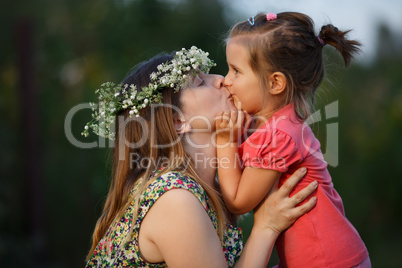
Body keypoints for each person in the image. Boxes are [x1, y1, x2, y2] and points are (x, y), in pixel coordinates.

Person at [83, 46, 318, 267]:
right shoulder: (174, 199)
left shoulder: (203, 190)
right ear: (177, 121)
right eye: (199, 82)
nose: (221, 80)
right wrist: (266, 227)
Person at [215, 12, 370, 267]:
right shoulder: (277, 125)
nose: (226, 80)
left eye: (236, 71)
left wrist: (225, 141)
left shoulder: (278, 135)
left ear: (275, 83)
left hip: (328, 261)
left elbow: (238, 201)